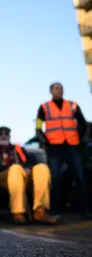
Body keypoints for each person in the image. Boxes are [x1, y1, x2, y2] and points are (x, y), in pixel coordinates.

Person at [36, 82, 92, 219]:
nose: (59, 91)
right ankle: (55, 211)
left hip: (72, 147)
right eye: (56, 88)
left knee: (80, 178)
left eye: (61, 88)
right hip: (55, 149)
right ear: (51, 91)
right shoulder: (44, 107)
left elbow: (83, 124)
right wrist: (45, 142)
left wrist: (80, 140)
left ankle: (86, 210)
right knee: (55, 179)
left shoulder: (73, 105)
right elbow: (38, 128)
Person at [0, 126, 58, 224]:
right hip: (0, 177)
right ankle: (18, 213)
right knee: (15, 169)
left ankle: (40, 211)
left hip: (21, 174)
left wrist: (28, 169)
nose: (4, 136)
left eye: (6, 134)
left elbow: (28, 163)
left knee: (41, 168)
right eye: (1, 134)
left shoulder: (18, 149)